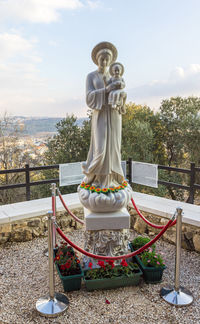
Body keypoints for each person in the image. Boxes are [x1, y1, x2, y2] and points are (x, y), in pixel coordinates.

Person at [81, 41, 125, 189]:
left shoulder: (114, 75)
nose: (105, 61)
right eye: (102, 58)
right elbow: (89, 97)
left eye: (107, 59)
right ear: (97, 59)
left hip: (114, 114)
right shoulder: (91, 76)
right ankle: (95, 177)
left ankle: (112, 179)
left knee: (113, 146)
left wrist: (120, 95)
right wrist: (105, 90)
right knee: (100, 148)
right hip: (100, 115)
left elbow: (121, 93)